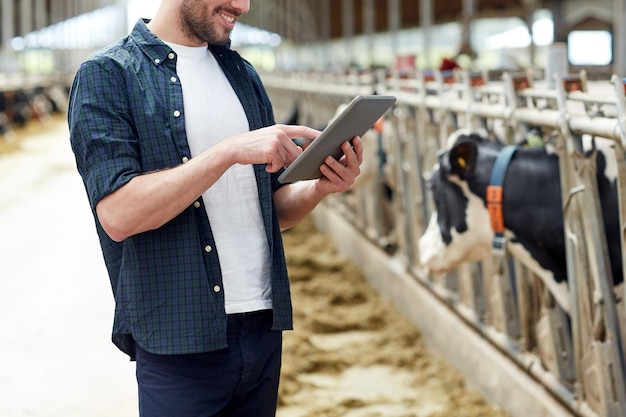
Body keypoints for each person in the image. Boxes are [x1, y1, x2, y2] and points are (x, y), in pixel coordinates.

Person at [67, 1, 363, 416]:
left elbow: (270, 209)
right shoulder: (108, 75)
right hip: (179, 337)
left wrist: (318, 188)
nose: (242, 5)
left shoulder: (241, 74)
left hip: (260, 327)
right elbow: (119, 215)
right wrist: (228, 152)